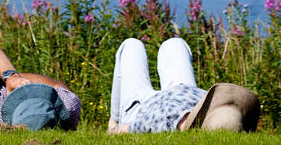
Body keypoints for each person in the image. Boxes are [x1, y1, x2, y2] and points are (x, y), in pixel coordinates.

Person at [107, 36, 259, 134]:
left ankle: (113, 119)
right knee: (175, 43)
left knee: (131, 45)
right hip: (181, 90)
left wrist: (114, 130)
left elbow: (128, 129)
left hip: (142, 105)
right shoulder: (207, 103)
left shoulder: (165, 121)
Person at [0, 37, 81, 132]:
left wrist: (12, 77)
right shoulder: (68, 107)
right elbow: (58, 85)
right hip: (2, 91)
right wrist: (13, 77)